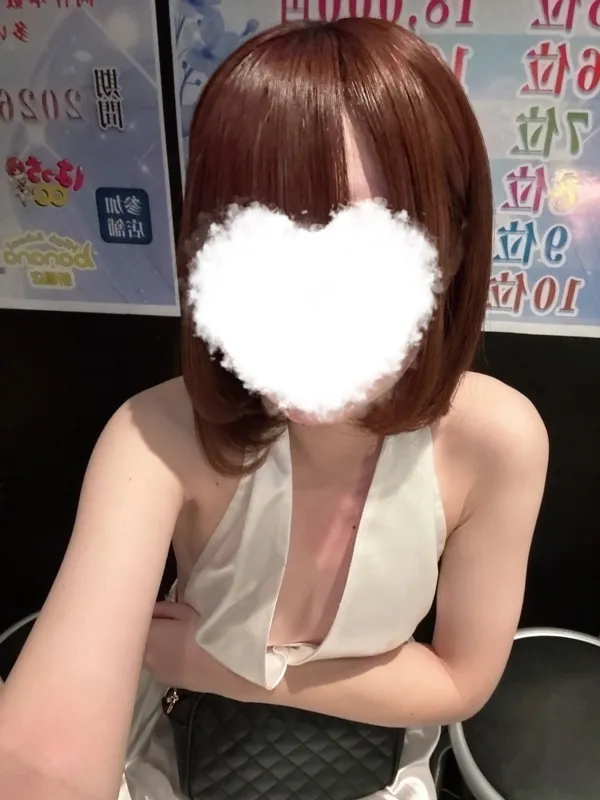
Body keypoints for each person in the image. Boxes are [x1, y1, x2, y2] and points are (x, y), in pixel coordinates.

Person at [0, 18, 548, 800]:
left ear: (453, 246)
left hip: (370, 772)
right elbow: (45, 755)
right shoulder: (155, 437)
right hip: (181, 764)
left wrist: (233, 671)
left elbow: (460, 681)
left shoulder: (496, 439)